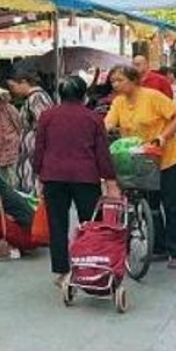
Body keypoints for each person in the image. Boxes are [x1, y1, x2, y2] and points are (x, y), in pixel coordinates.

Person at [33, 76, 120, 286]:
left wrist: (38, 174)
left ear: (59, 95)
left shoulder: (47, 116)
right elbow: (102, 153)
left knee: (57, 225)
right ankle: (89, 267)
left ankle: (62, 273)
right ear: (83, 95)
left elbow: (39, 149)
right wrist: (110, 180)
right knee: (90, 224)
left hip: (53, 176)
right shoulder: (93, 118)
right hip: (86, 177)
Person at [105, 64, 176, 269]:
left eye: (120, 80)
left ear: (133, 80)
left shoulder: (152, 96)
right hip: (140, 162)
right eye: (113, 81)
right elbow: (108, 123)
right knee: (151, 207)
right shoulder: (118, 102)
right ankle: (159, 247)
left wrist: (163, 136)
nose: (116, 84)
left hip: (168, 159)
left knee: (172, 206)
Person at [7, 70, 55, 194]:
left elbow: (44, 125)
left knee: (34, 187)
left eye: (13, 86)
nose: (13, 91)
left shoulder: (37, 97)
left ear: (23, 82)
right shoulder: (33, 98)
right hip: (31, 151)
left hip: (35, 152)